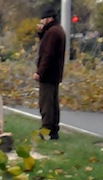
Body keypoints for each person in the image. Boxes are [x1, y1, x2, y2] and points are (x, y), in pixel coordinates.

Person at [35, 7, 66, 140]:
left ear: (49, 18)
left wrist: (40, 72)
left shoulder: (52, 33)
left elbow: (47, 54)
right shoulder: (57, 30)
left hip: (48, 73)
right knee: (53, 102)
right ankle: (53, 129)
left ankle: (46, 130)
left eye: (43, 19)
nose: (42, 21)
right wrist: (41, 33)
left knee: (46, 103)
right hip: (55, 73)